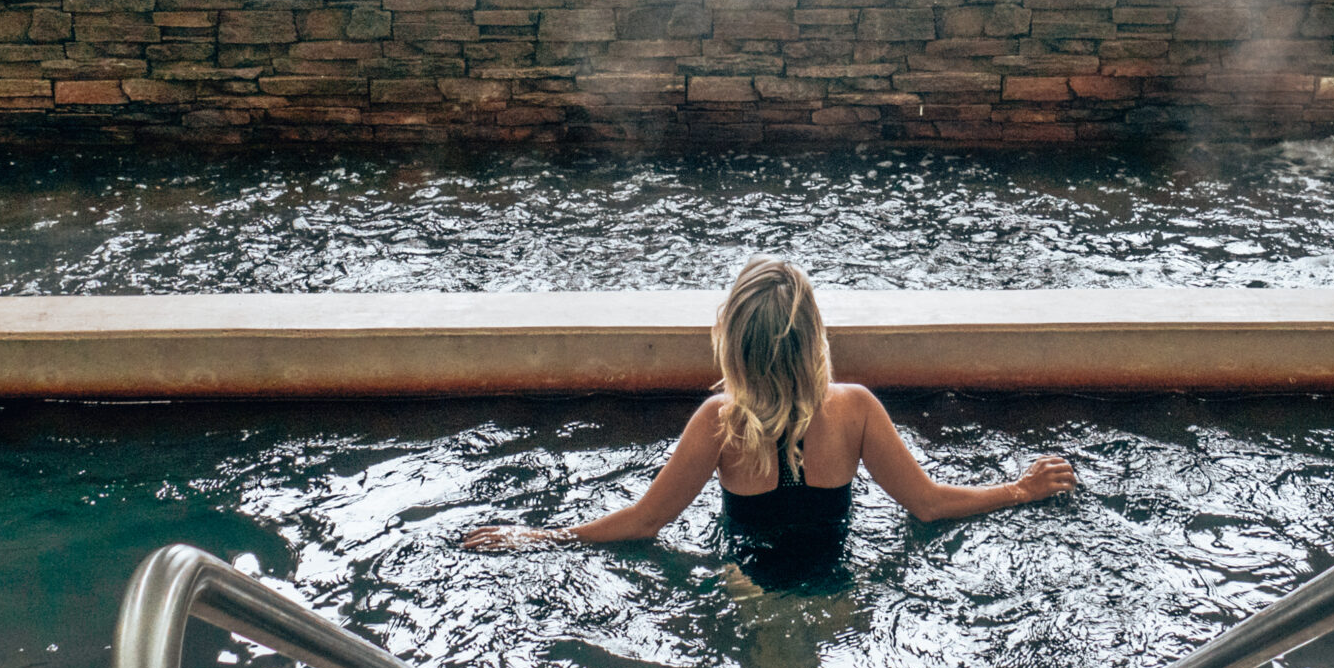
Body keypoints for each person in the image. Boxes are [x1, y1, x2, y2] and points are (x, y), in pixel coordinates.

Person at [461, 257, 1077, 556]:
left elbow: (646, 521)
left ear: (731, 344)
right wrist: (1018, 489)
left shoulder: (719, 422)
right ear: (816, 339)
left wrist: (538, 536)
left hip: (746, 588)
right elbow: (929, 504)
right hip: (835, 591)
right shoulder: (856, 409)